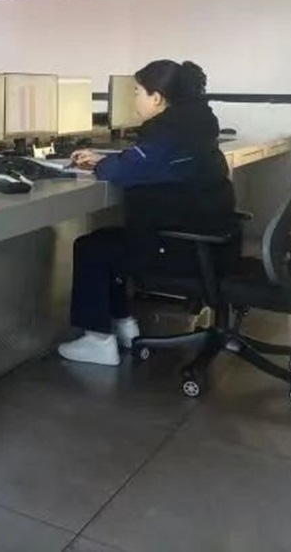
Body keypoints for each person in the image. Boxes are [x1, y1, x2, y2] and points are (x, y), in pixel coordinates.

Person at [57, 60, 237, 366]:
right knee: (109, 241)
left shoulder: (168, 133)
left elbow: (129, 170)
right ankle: (124, 326)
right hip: (206, 244)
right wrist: (108, 159)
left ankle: (98, 341)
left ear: (157, 98)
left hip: (180, 249)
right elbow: (147, 162)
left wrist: (103, 163)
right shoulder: (193, 126)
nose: (134, 99)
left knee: (92, 248)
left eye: (137, 92)